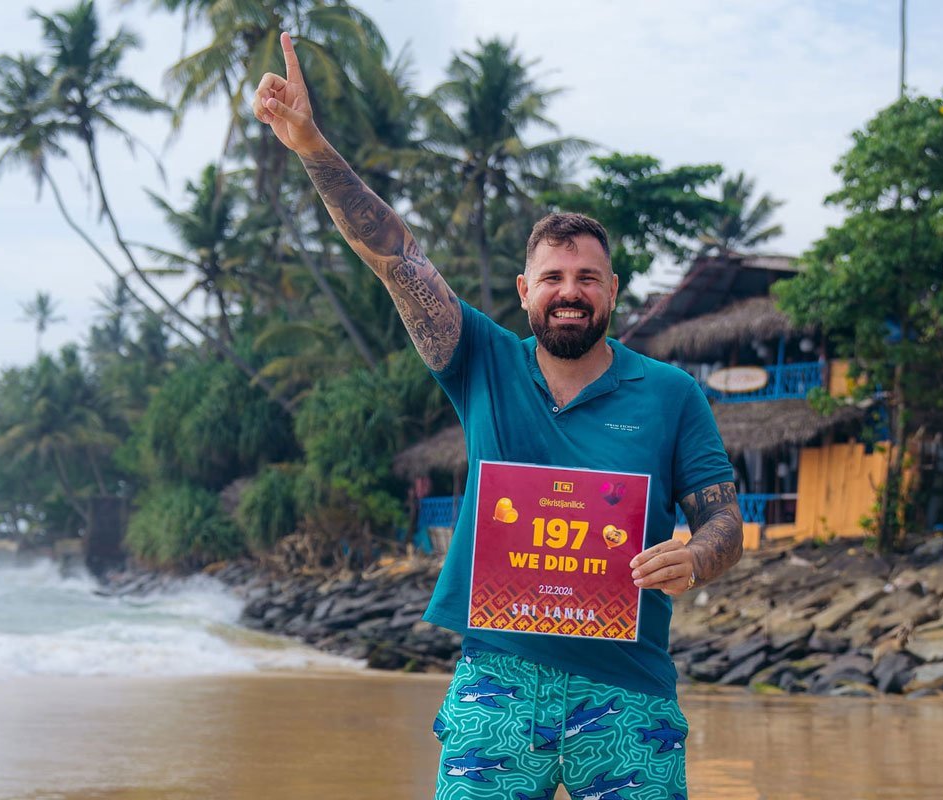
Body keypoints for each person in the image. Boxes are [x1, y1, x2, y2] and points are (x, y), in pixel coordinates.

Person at [253, 33, 743, 799]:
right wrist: (312, 146)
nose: (570, 291)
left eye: (588, 277)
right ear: (524, 290)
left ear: (613, 291)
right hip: (498, 686)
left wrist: (697, 557)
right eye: (553, 277)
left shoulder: (671, 392)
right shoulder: (479, 359)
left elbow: (724, 521)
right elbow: (396, 258)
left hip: (630, 692)